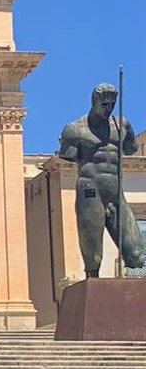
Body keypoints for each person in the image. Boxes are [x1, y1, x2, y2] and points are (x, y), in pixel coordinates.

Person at [58, 84, 145, 277]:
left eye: (112, 104)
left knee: (136, 255)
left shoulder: (122, 125)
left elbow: (131, 149)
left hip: (115, 191)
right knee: (93, 257)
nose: (109, 108)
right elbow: (68, 156)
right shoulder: (74, 129)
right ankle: (92, 284)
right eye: (104, 103)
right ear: (94, 101)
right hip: (90, 190)